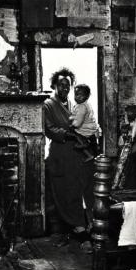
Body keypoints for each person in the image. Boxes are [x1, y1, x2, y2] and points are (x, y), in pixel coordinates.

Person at [43, 68, 95, 253]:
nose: (64, 87)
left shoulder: (74, 103)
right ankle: (74, 233)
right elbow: (49, 129)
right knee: (62, 191)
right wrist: (69, 134)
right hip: (59, 153)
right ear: (54, 85)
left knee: (77, 190)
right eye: (61, 84)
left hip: (75, 154)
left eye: (67, 84)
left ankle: (83, 230)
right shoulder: (48, 104)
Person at [69, 84, 99, 163]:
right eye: (76, 94)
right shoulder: (85, 104)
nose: (77, 97)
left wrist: (73, 125)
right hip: (91, 127)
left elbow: (78, 121)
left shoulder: (81, 107)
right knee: (94, 147)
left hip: (85, 129)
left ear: (86, 96)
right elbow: (77, 115)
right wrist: (71, 117)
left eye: (80, 95)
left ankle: (84, 144)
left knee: (74, 134)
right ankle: (91, 154)